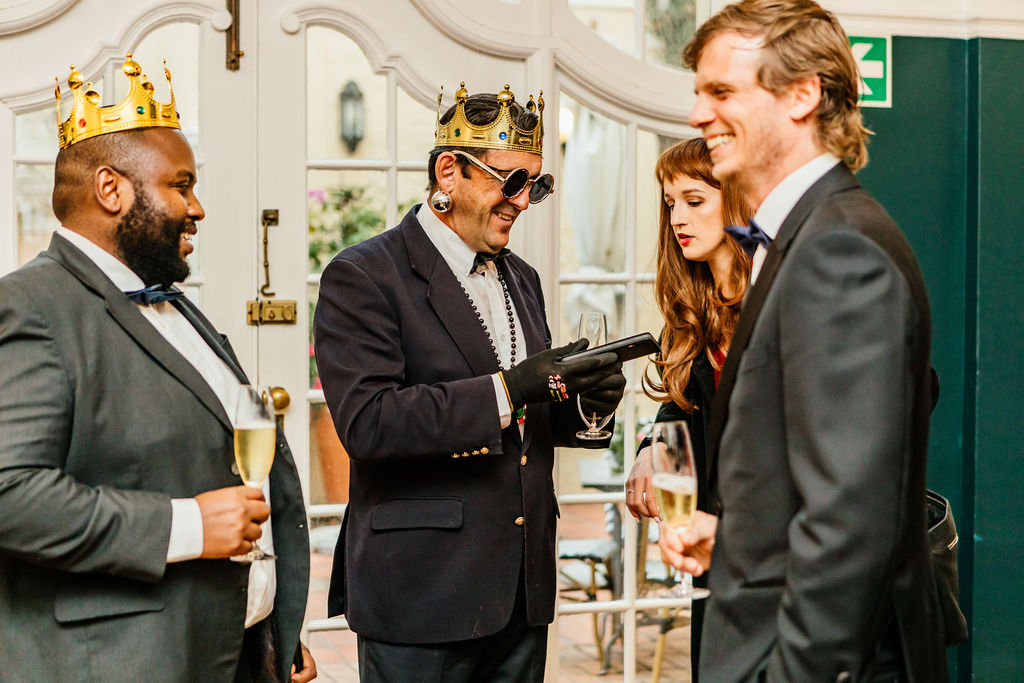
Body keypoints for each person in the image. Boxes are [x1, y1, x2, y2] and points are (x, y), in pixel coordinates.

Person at [657, 1, 949, 680]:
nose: (698, 115)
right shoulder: (802, 236)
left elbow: (850, 525)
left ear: (802, 95)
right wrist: (736, 539)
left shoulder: (839, 249)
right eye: (699, 94)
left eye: (721, 92)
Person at [0, 56, 316, 682]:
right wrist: (188, 524)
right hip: (125, 662)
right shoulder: (29, 306)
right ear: (111, 189)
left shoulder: (174, 304)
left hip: (230, 651)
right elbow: (10, 495)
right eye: (181, 185)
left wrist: (271, 632)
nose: (197, 208)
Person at [313, 82, 626, 682]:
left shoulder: (523, 278)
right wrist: (510, 388)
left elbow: (524, 423)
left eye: (535, 185)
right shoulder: (363, 275)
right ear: (448, 172)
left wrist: (586, 406)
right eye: (512, 181)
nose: (523, 201)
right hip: (421, 594)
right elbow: (370, 424)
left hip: (521, 593)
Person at [623, 137, 751, 679]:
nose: (677, 217)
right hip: (711, 555)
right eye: (670, 202)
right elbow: (684, 408)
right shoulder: (694, 312)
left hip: (778, 554)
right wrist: (652, 448)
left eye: (694, 200)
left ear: (739, 201)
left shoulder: (783, 296)